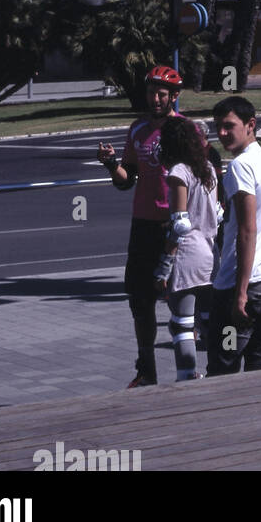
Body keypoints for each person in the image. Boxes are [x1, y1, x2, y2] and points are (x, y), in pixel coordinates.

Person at [97, 64, 182, 387]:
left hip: (175, 226)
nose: (156, 98)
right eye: (151, 92)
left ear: (174, 96)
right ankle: (146, 369)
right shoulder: (138, 130)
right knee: (140, 301)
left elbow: (203, 177)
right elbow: (125, 181)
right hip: (143, 226)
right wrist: (110, 163)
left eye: (162, 93)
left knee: (180, 299)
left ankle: (188, 368)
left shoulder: (186, 129)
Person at [206, 96, 261, 374]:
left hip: (245, 285)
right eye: (218, 126)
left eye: (229, 126)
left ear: (251, 125)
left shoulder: (241, 166)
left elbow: (247, 229)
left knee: (223, 369)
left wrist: (240, 293)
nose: (222, 133)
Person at [154, 115, 219, 381]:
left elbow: (180, 224)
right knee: (207, 320)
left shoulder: (179, 172)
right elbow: (218, 212)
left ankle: (186, 377)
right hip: (210, 254)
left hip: (187, 256)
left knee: (181, 324)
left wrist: (164, 264)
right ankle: (218, 369)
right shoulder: (208, 169)